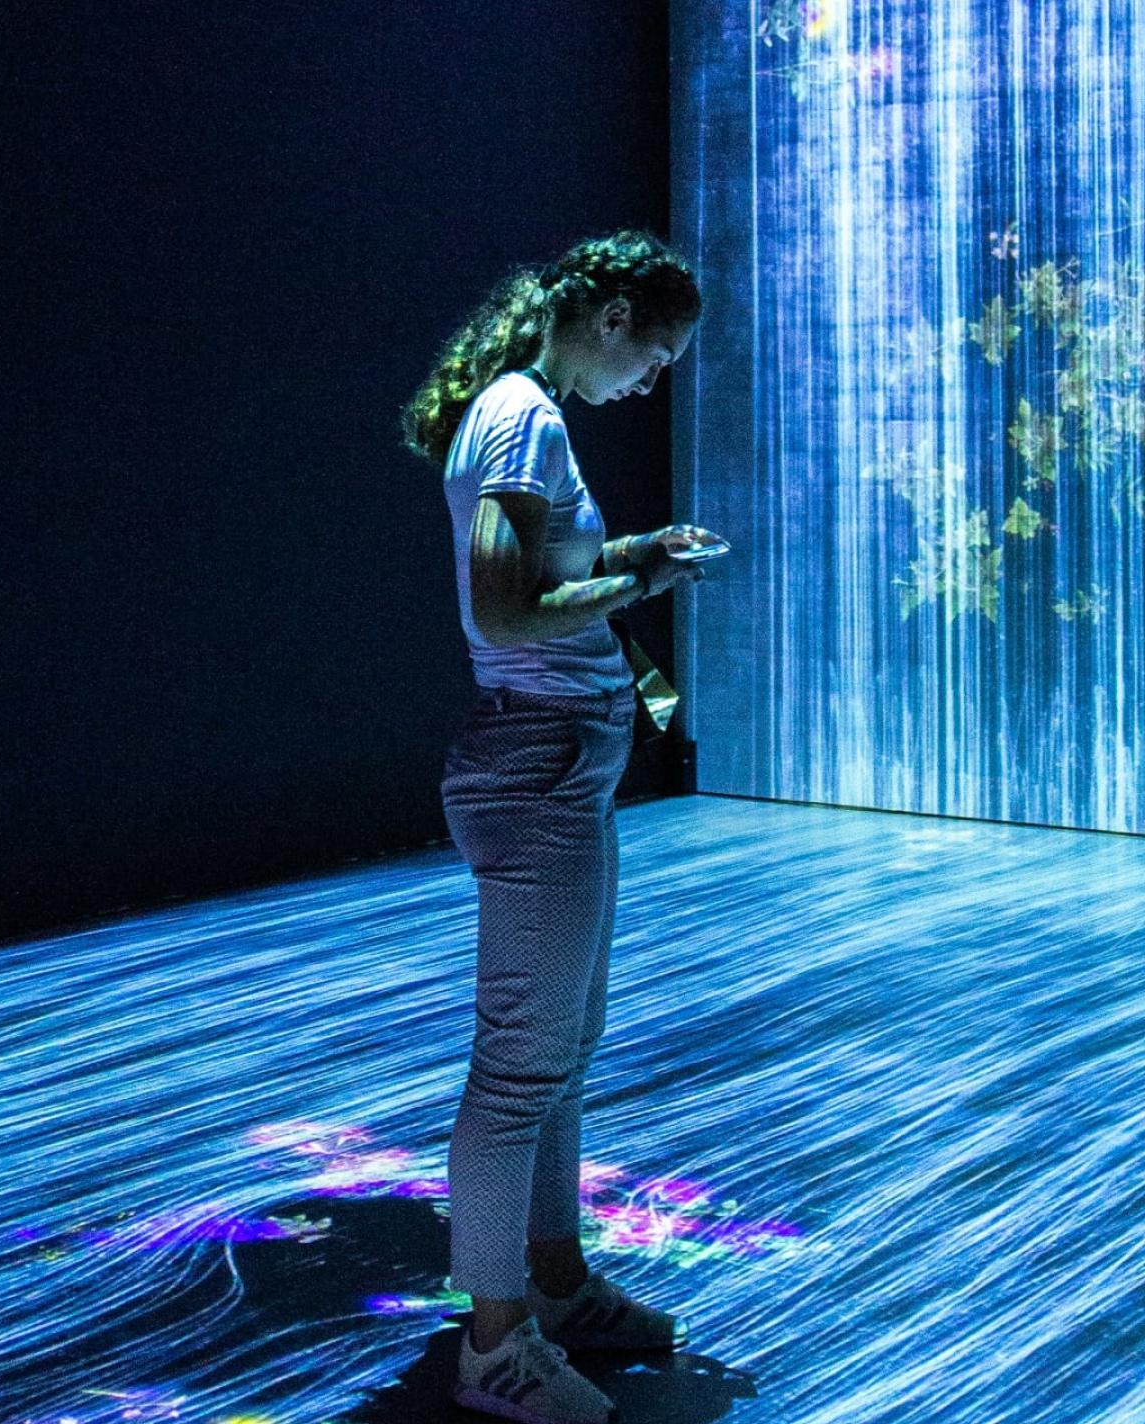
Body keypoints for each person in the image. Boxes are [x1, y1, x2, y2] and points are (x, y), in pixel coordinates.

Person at [400, 230, 722, 1424]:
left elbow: (536, 578)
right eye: (659, 354)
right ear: (616, 315)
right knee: (521, 1065)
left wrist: (635, 549)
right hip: (535, 769)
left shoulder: (528, 411)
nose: (653, 381)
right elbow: (504, 605)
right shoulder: (523, 412)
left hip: (558, 768)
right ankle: (495, 1348)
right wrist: (634, 582)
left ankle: (554, 1280)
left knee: (561, 1054)